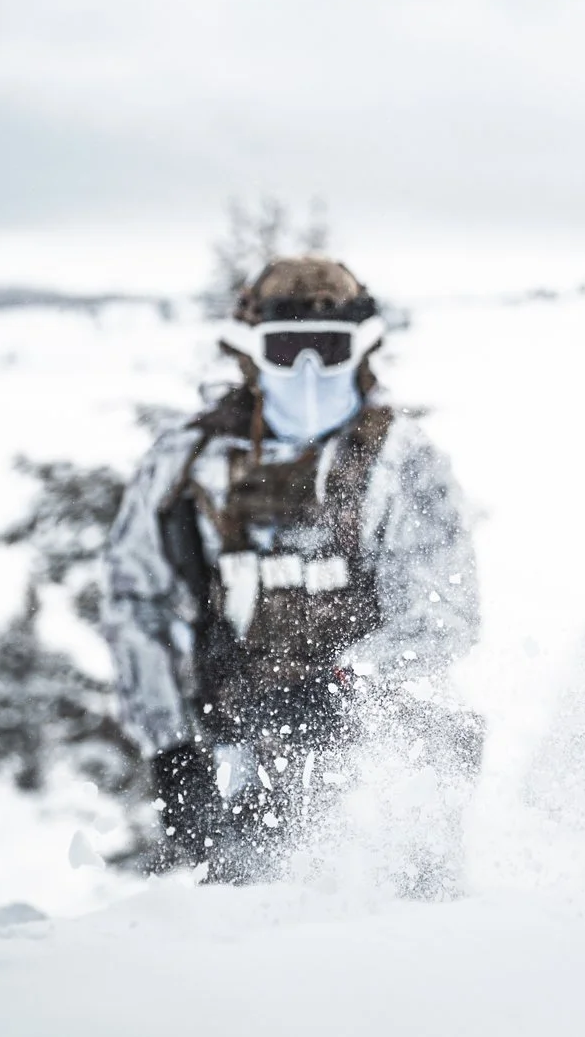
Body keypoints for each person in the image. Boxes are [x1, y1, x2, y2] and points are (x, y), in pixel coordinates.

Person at [101, 256, 480, 887]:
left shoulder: (404, 462)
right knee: (242, 941)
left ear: (361, 351)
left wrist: (349, 684)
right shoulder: (189, 462)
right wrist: (170, 746)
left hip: (384, 754)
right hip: (234, 749)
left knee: (400, 934)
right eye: (287, 350)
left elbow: (445, 614)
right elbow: (135, 599)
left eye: (328, 348)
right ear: (251, 354)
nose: (309, 371)